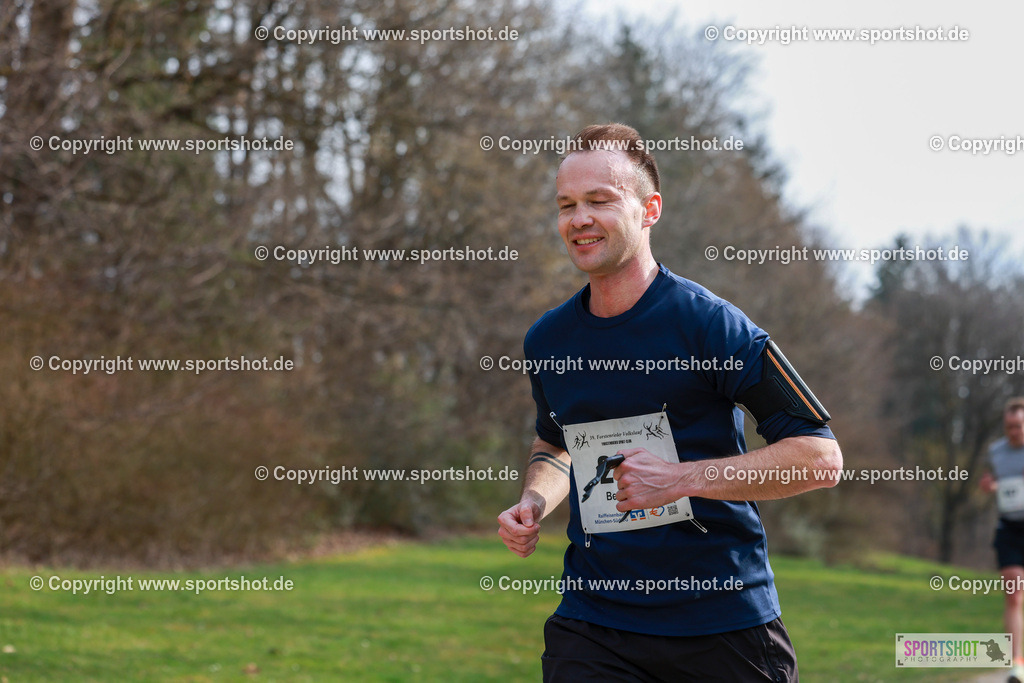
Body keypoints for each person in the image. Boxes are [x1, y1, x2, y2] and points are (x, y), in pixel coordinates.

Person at [497, 123, 843, 682]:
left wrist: (679, 480)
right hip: (595, 622)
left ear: (649, 209)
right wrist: (535, 501)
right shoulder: (549, 340)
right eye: (566, 204)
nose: (578, 218)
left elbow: (819, 458)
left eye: (599, 201)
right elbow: (557, 442)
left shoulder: (711, 326)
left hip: (720, 621)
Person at [980, 398, 1024, 683]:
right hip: (1008, 528)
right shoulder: (995, 452)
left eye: (1019, 426)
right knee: (1014, 593)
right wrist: (990, 486)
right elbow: (992, 481)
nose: (1014, 432)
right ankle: (1016, 664)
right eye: (1009, 427)